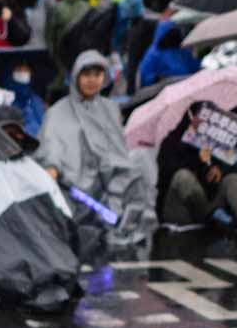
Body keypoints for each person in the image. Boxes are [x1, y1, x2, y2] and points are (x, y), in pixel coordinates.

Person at [35, 50, 157, 251]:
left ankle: (134, 224)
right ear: (76, 76)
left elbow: (119, 150)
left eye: (97, 75)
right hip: (77, 187)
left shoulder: (110, 109)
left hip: (112, 181)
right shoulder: (59, 111)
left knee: (143, 159)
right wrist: (53, 166)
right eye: (86, 74)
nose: (92, 80)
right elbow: (52, 144)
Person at [157, 105, 237, 232]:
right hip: (182, 208)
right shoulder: (170, 143)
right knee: (184, 177)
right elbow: (167, 176)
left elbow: (234, 166)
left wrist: (220, 169)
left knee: (232, 179)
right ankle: (217, 221)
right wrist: (198, 163)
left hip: (213, 205)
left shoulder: (213, 139)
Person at [44, 0, 91, 93]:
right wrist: (51, 50)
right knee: (60, 81)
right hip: (61, 51)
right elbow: (50, 31)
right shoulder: (58, 8)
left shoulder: (86, 7)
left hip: (80, 50)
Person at [136, 20, 199, 88]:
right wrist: (158, 78)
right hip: (164, 87)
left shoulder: (181, 50)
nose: (173, 35)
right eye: (171, 32)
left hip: (187, 83)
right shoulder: (154, 53)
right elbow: (145, 74)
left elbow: (192, 64)